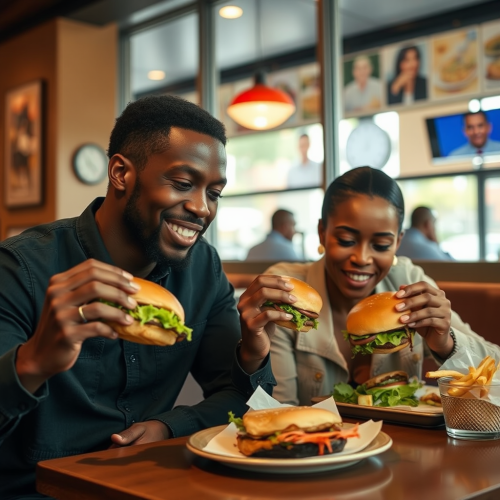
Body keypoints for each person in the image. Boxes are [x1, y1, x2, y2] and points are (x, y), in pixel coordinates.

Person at [0, 95, 286, 499]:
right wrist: (33, 360)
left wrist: (171, 425)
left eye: (214, 193)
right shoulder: (21, 267)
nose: (201, 208)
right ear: (121, 173)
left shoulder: (203, 269)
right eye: (183, 184)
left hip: (150, 486)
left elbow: (246, 400)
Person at [238, 166, 500, 406]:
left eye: (381, 245)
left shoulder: (407, 280)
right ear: (322, 232)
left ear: (398, 242)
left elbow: (495, 371)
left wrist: (446, 343)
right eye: (346, 239)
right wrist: (252, 354)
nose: (362, 258)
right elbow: (278, 411)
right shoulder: (289, 292)